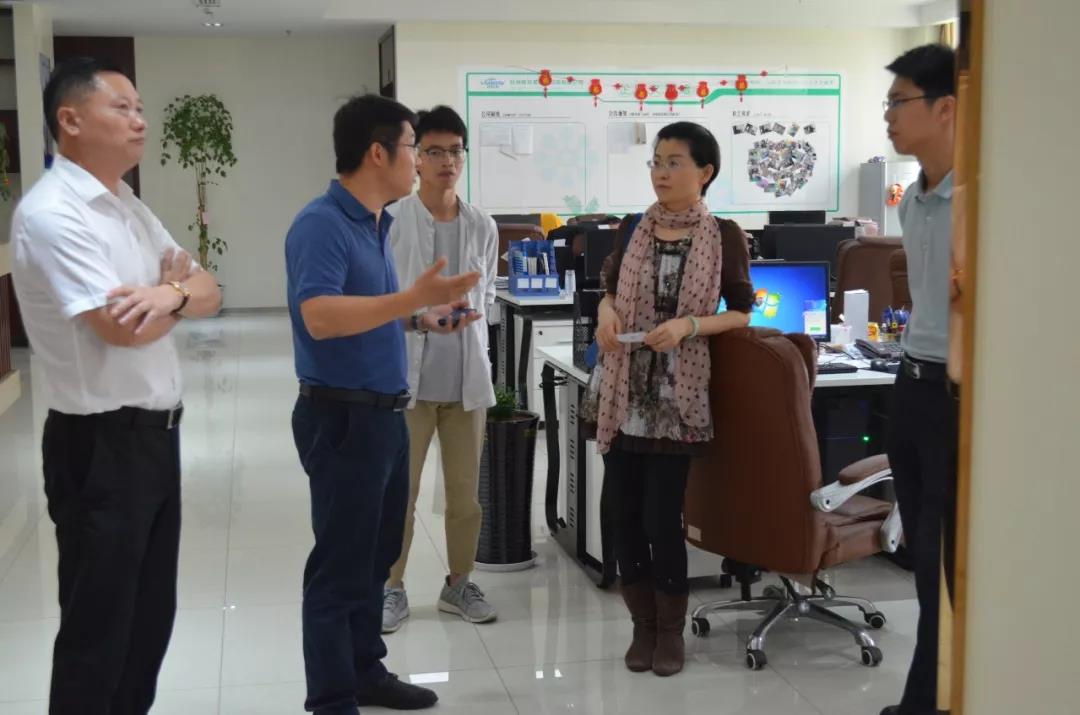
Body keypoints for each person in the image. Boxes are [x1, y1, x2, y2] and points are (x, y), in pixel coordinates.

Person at [10, 58, 221, 714]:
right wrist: (177, 293)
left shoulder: (127, 205)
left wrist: (168, 292)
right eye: (122, 107)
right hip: (98, 446)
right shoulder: (53, 213)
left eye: (140, 108)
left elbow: (209, 289)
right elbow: (120, 329)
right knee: (97, 636)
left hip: (155, 440)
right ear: (70, 120)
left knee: (148, 625)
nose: (140, 121)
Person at [285, 94, 482, 715]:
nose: (420, 159)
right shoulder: (321, 223)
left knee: (374, 560)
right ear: (378, 153)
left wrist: (421, 319)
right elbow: (319, 317)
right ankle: (331, 698)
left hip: (384, 413)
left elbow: (367, 314)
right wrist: (409, 302)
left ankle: (366, 671)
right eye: (411, 147)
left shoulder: (377, 223)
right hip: (342, 417)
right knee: (339, 567)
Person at [593, 122, 753, 677]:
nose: (661, 173)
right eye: (656, 162)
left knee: (662, 519)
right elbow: (609, 290)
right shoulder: (633, 227)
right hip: (623, 390)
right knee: (620, 516)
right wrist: (606, 313)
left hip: (676, 396)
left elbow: (741, 312)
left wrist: (689, 326)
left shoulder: (723, 235)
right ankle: (641, 626)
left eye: (674, 162)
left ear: (705, 172)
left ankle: (669, 633)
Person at [383, 106, 499, 632]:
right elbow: (383, 300)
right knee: (399, 494)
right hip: (407, 383)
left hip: (465, 381)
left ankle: (459, 583)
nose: (446, 161)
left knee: (465, 497)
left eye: (455, 151)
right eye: (434, 151)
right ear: (415, 158)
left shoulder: (482, 225)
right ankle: (391, 586)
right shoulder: (393, 221)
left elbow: (487, 295)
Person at [880, 43, 958, 715]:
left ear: (945, 108)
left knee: (944, 563)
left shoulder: (983, 201)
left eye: (899, 102)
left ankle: (924, 702)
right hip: (910, 384)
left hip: (957, 396)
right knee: (923, 559)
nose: (888, 117)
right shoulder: (912, 201)